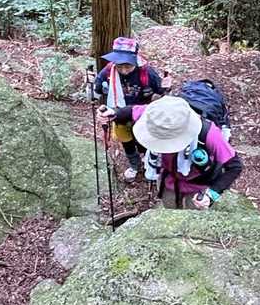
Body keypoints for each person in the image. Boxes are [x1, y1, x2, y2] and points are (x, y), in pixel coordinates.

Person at [99, 95, 242, 210]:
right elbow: (130, 112)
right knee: (169, 207)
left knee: (193, 217)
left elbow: (234, 166)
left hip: (199, 187)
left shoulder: (209, 134)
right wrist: (114, 113)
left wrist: (212, 194)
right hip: (169, 181)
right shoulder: (156, 116)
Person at [91, 36, 164, 181]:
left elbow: (161, 93)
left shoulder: (147, 72)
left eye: (128, 66)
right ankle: (134, 164)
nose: (124, 70)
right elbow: (95, 93)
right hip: (118, 115)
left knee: (143, 139)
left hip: (142, 114)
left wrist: (163, 90)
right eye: (120, 66)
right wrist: (91, 85)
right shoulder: (108, 71)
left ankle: (148, 160)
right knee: (127, 141)